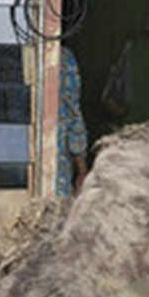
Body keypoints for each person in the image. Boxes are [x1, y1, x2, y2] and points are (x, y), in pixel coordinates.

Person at [57, 46, 89, 197]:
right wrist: (82, 170)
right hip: (57, 173)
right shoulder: (63, 58)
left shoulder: (63, 58)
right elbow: (73, 113)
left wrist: (82, 172)